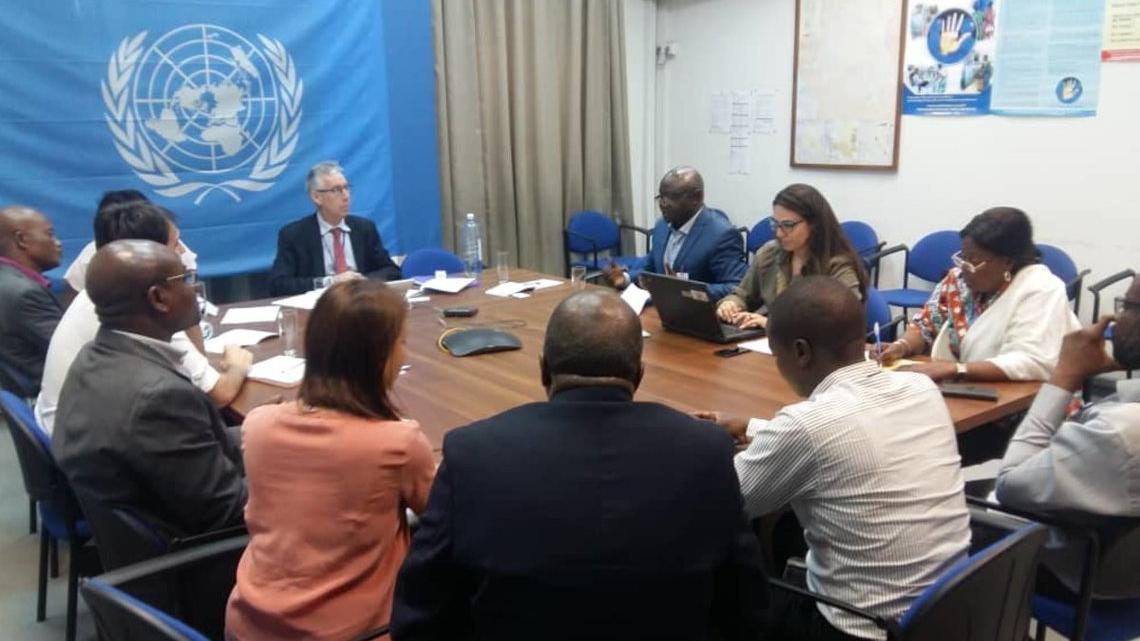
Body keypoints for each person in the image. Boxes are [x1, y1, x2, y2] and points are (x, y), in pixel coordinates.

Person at [392, 289, 768, 640]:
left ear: (543, 370)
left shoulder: (471, 454)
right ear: (638, 374)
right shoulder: (707, 451)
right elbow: (747, 608)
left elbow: (418, 617)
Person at [699, 276, 970, 641]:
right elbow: (849, 431)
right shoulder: (921, 387)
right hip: (946, 611)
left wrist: (700, 443)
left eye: (777, 356)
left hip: (860, 628)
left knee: (723, 576)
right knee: (787, 530)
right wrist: (752, 426)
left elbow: (719, 503)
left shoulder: (806, 426)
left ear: (801, 352)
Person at [226, 280, 436, 641]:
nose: (405, 354)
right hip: (357, 632)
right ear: (380, 357)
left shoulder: (258, 425)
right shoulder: (398, 443)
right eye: (402, 342)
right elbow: (441, 516)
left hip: (249, 627)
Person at [53, 240, 246, 569]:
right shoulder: (158, 398)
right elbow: (229, 509)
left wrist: (269, 428)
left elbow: (196, 444)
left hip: (148, 537)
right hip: (199, 565)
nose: (195, 291)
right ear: (158, 298)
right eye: (186, 279)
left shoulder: (95, 355)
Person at [36, 202, 252, 435]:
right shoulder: (142, 312)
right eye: (175, 244)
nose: (184, 252)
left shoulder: (106, 293)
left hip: (79, 431)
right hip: (105, 441)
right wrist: (237, 365)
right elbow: (219, 394)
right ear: (150, 256)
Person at [995, 273, 1140, 598]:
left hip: (1090, 579)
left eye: (1128, 306)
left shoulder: (1122, 431)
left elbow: (1009, 485)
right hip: (1125, 568)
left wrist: (1065, 375)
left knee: (952, 520)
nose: (1115, 317)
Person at [878, 207, 1079, 383]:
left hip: (1028, 396)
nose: (964, 267)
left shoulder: (1040, 289)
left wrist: (956, 369)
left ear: (1008, 261)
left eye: (974, 261)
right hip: (968, 388)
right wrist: (902, 346)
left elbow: (1030, 362)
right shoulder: (958, 281)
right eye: (963, 257)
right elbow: (925, 326)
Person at [716, 184, 867, 330]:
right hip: (771, 342)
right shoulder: (769, 253)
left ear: (814, 224)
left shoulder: (838, 265)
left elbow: (845, 322)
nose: (779, 233)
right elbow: (742, 294)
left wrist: (772, 325)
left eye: (788, 225)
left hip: (818, 345)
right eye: (775, 224)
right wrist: (731, 304)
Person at [604, 166, 747, 301]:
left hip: (699, 313)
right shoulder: (662, 226)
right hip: (662, 307)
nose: (663, 204)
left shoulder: (722, 235)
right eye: (661, 197)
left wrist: (686, 290)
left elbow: (736, 287)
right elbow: (651, 267)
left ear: (697, 197)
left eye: (672, 197)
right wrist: (625, 278)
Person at [269, 161, 401, 295]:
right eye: (336, 190)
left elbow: (392, 270)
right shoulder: (294, 235)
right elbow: (279, 284)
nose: (346, 196)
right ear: (316, 197)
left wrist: (362, 282)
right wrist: (330, 282)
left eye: (346, 188)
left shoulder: (364, 228)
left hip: (360, 300)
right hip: (321, 303)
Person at [0, 205, 63, 397]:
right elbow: (72, 351)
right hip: (49, 396)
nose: (58, 243)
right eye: (49, 234)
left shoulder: (8, 282)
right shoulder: (25, 293)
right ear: (22, 240)